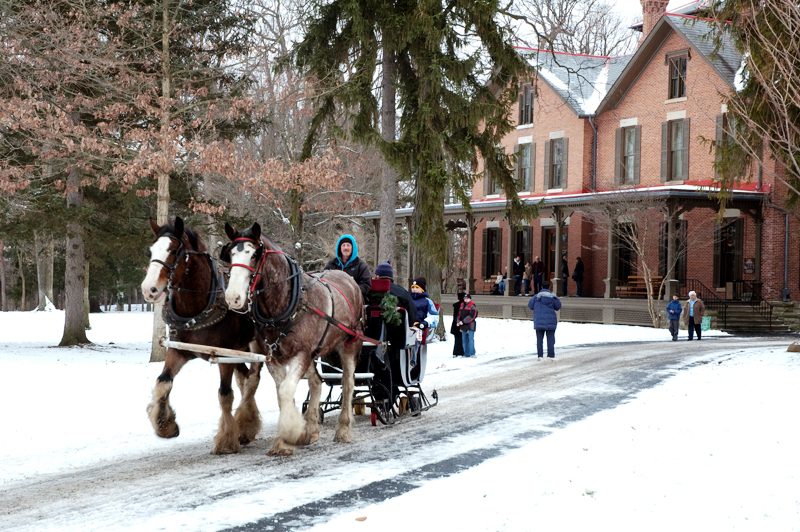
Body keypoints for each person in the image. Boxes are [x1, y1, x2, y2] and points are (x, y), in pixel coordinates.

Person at [325, 234, 372, 298]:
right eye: (343, 245)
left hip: (353, 300)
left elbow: (366, 285)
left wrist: (351, 291)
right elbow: (324, 281)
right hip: (334, 299)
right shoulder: (332, 264)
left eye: (348, 245)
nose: (345, 248)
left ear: (353, 248)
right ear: (340, 248)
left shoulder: (360, 265)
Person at [528, 280, 562, 359]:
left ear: (541, 287)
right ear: (549, 287)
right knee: (550, 339)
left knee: (539, 340)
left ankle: (540, 356)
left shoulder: (536, 297)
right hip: (551, 321)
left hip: (539, 321)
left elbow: (530, 306)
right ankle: (550, 356)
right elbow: (558, 306)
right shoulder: (553, 297)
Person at [456, 293, 478, 357]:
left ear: (470, 299)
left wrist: (463, 321)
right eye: (465, 298)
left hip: (470, 325)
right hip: (463, 325)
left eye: (467, 298)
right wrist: (458, 321)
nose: (465, 300)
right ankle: (466, 353)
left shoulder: (472, 306)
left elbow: (472, 316)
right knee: (464, 340)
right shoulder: (462, 305)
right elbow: (459, 314)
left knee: (470, 339)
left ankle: (472, 353)